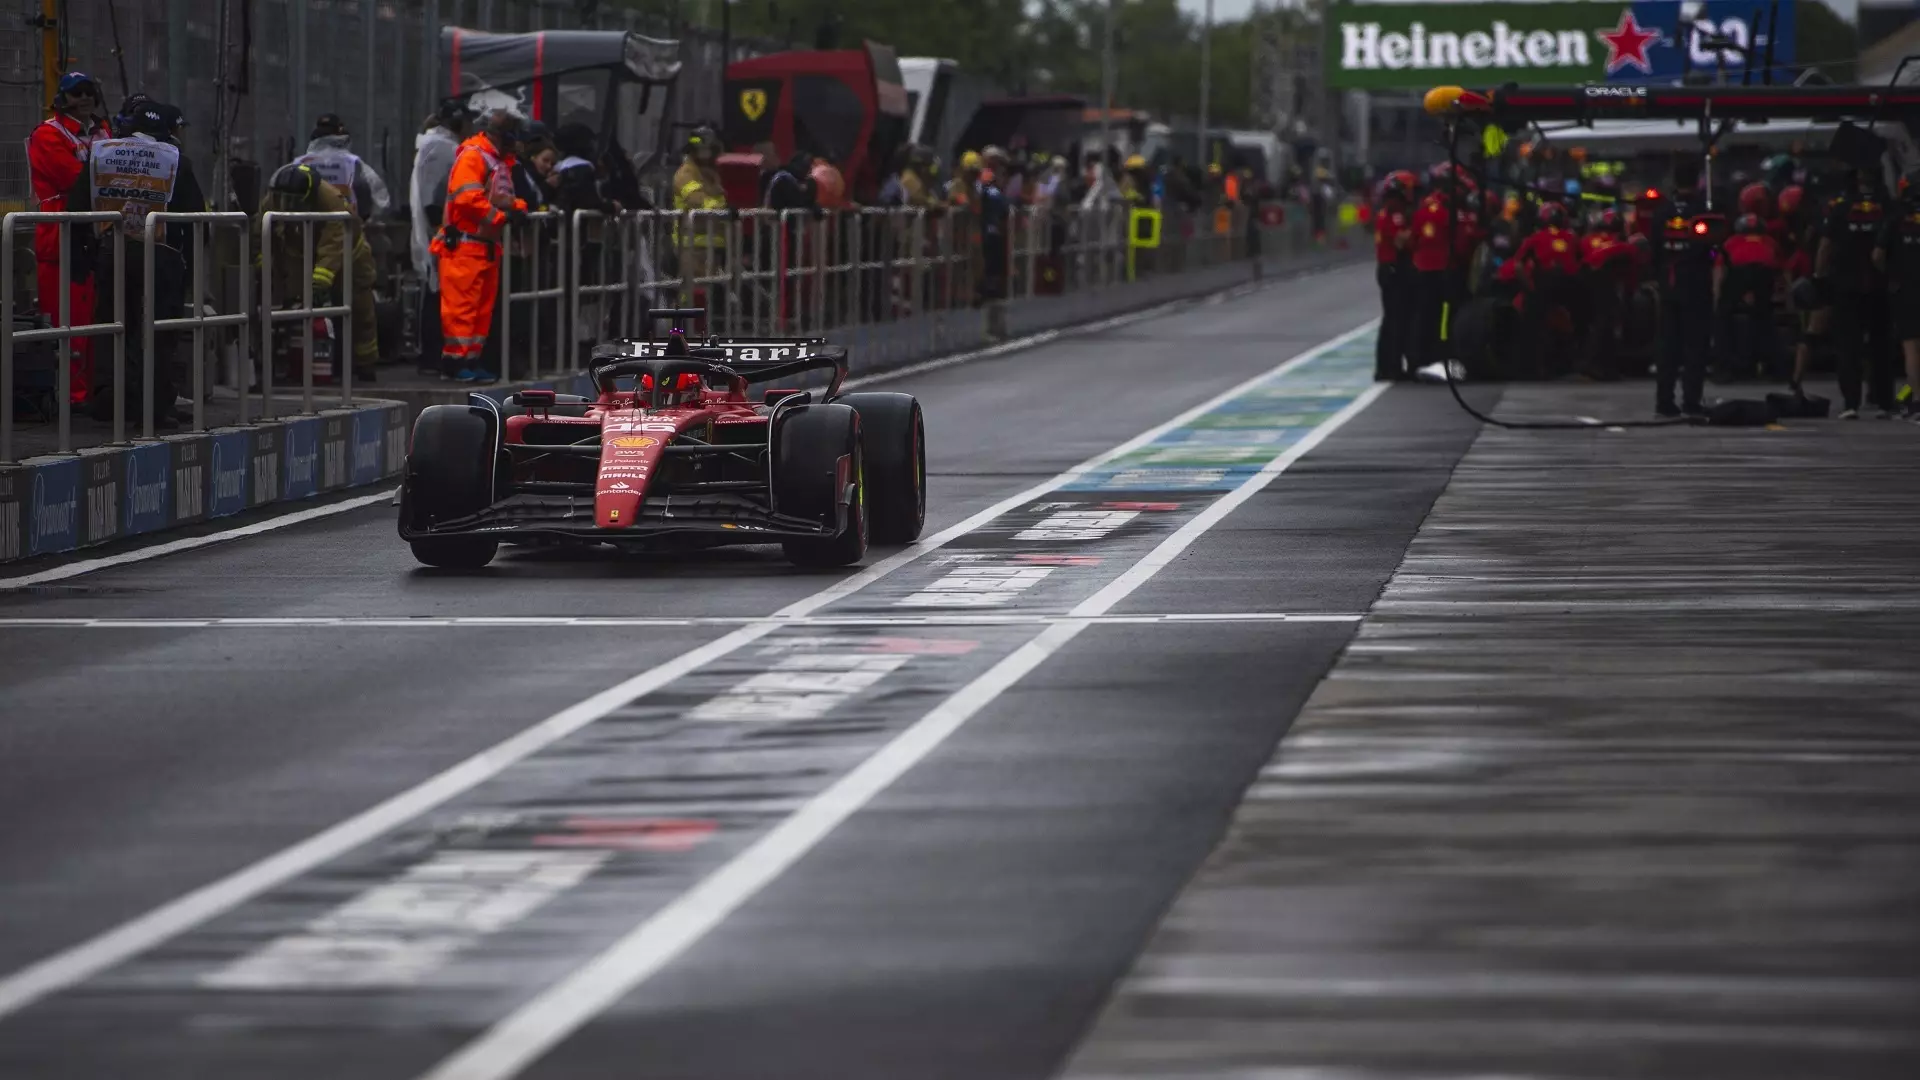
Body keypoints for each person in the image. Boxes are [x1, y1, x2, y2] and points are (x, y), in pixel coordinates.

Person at [63, 98, 196, 424]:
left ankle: (110, 398)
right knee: (160, 329)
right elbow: (195, 217)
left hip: (113, 248)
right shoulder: (174, 158)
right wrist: (188, 270)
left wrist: (81, 258)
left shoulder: (102, 152)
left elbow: (77, 206)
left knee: (113, 323)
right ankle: (154, 406)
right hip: (161, 252)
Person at [28, 71, 109, 407]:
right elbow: (74, 178)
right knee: (66, 320)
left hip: (96, 236)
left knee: (95, 320)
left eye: (90, 91)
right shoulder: (47, 134)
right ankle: (70, 396)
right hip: (61, 238)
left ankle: (89, 392)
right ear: (62, 100)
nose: (85, 98)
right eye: (77, 93)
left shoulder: (103, 132)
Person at [259, 162, 380, 383]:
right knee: (294, 305)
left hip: (350, 255)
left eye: (292, 202)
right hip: (302, 253)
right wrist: (262, 264)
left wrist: (320, 281)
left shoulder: (333, 203)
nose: (286, 205)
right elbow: (262, 230)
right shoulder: (275, 197)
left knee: (360, 307)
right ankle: (295, 363)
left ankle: (365, 364)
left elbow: (334, 243)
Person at [431, 110, 527, 383]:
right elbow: (467, 198)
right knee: (462, 310)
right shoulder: (475, 156)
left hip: (484, 246)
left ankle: (470, 361)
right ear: (503, 136)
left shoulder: (497, 161)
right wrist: (501, 217)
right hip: (464, 246)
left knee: (480, 311)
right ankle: (455, 363)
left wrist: (519, 209)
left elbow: (502, 197)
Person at [1803, 164, 1892, 418]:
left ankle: (1851, 403)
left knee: (1848, 347)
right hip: (1880, 284)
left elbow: (1825, 245)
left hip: (1846, 285)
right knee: (1881, 346)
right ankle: (1884, 402)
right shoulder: (1888, 207)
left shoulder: (1841, 207)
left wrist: (1819, 277)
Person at [410, 102, 471, 374]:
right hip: (442, 233)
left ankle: (434, 355)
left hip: (440, 231)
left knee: (438, 294)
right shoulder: (441, 148)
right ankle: (433, 356)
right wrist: (442, 230)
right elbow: (433, 198)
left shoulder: (436, 145)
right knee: (438, 295)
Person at [1655, 160, 1718, 417]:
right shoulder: (1703, 212)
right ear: (1697, 181)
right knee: (1695, 346)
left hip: (1668, 286)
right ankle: (1691, 401)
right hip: (1696, 286)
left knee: (1668, 346)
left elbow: (1654, 248)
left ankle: (1664, 401)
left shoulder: (1662, 212)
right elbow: (1712, 249)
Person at [1513, 200, 1583, 378]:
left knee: (1531, 326)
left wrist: (1530, 288)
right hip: (1570, 286)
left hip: (1544, 285)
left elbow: (1518, 266)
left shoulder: (1534, 238)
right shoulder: (1572, 237)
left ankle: (1530, 368)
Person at [1717, 213, 1784, 380]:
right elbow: (1780, 270)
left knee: (1722, 318)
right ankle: (1775, 367)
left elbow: (1719, 271)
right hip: (1764, 276)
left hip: (1739, 276)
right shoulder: (1771, 242)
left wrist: (1717, 296)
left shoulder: (1730, 243)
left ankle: (1724, 366)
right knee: (1765, 319)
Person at [671, 125, 728, 309]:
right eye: (703, 150)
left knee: (705, 295)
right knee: (690, 294)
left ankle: (700, 331)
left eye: (709, 150)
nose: (707, 154)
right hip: (691, 245)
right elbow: (696, 199)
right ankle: (680, 333)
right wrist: (722, 209)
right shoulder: (686, 173)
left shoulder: (711, 174)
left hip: (711, 244)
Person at [295, 113, 391, 221]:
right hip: (346, 230)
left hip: (307, 229)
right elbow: (380, 199)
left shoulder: (299, 163)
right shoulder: (353, 162)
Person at [1879, 174, 1920, 420]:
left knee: (1912, 347)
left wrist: (1891, 273)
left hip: (1905, 289)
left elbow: (1877, 255)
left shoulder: (1895, 219)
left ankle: (1916, 400)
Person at [1372, 170, 1415, 380]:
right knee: (1394, 320)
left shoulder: (1389, 212)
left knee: (1395, 319)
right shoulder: (1392, 214)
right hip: (1391, 269)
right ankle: (1389, 368)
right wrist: (1414, 228)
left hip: (1390, 268)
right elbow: (1401, 241)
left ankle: (1390, 366)